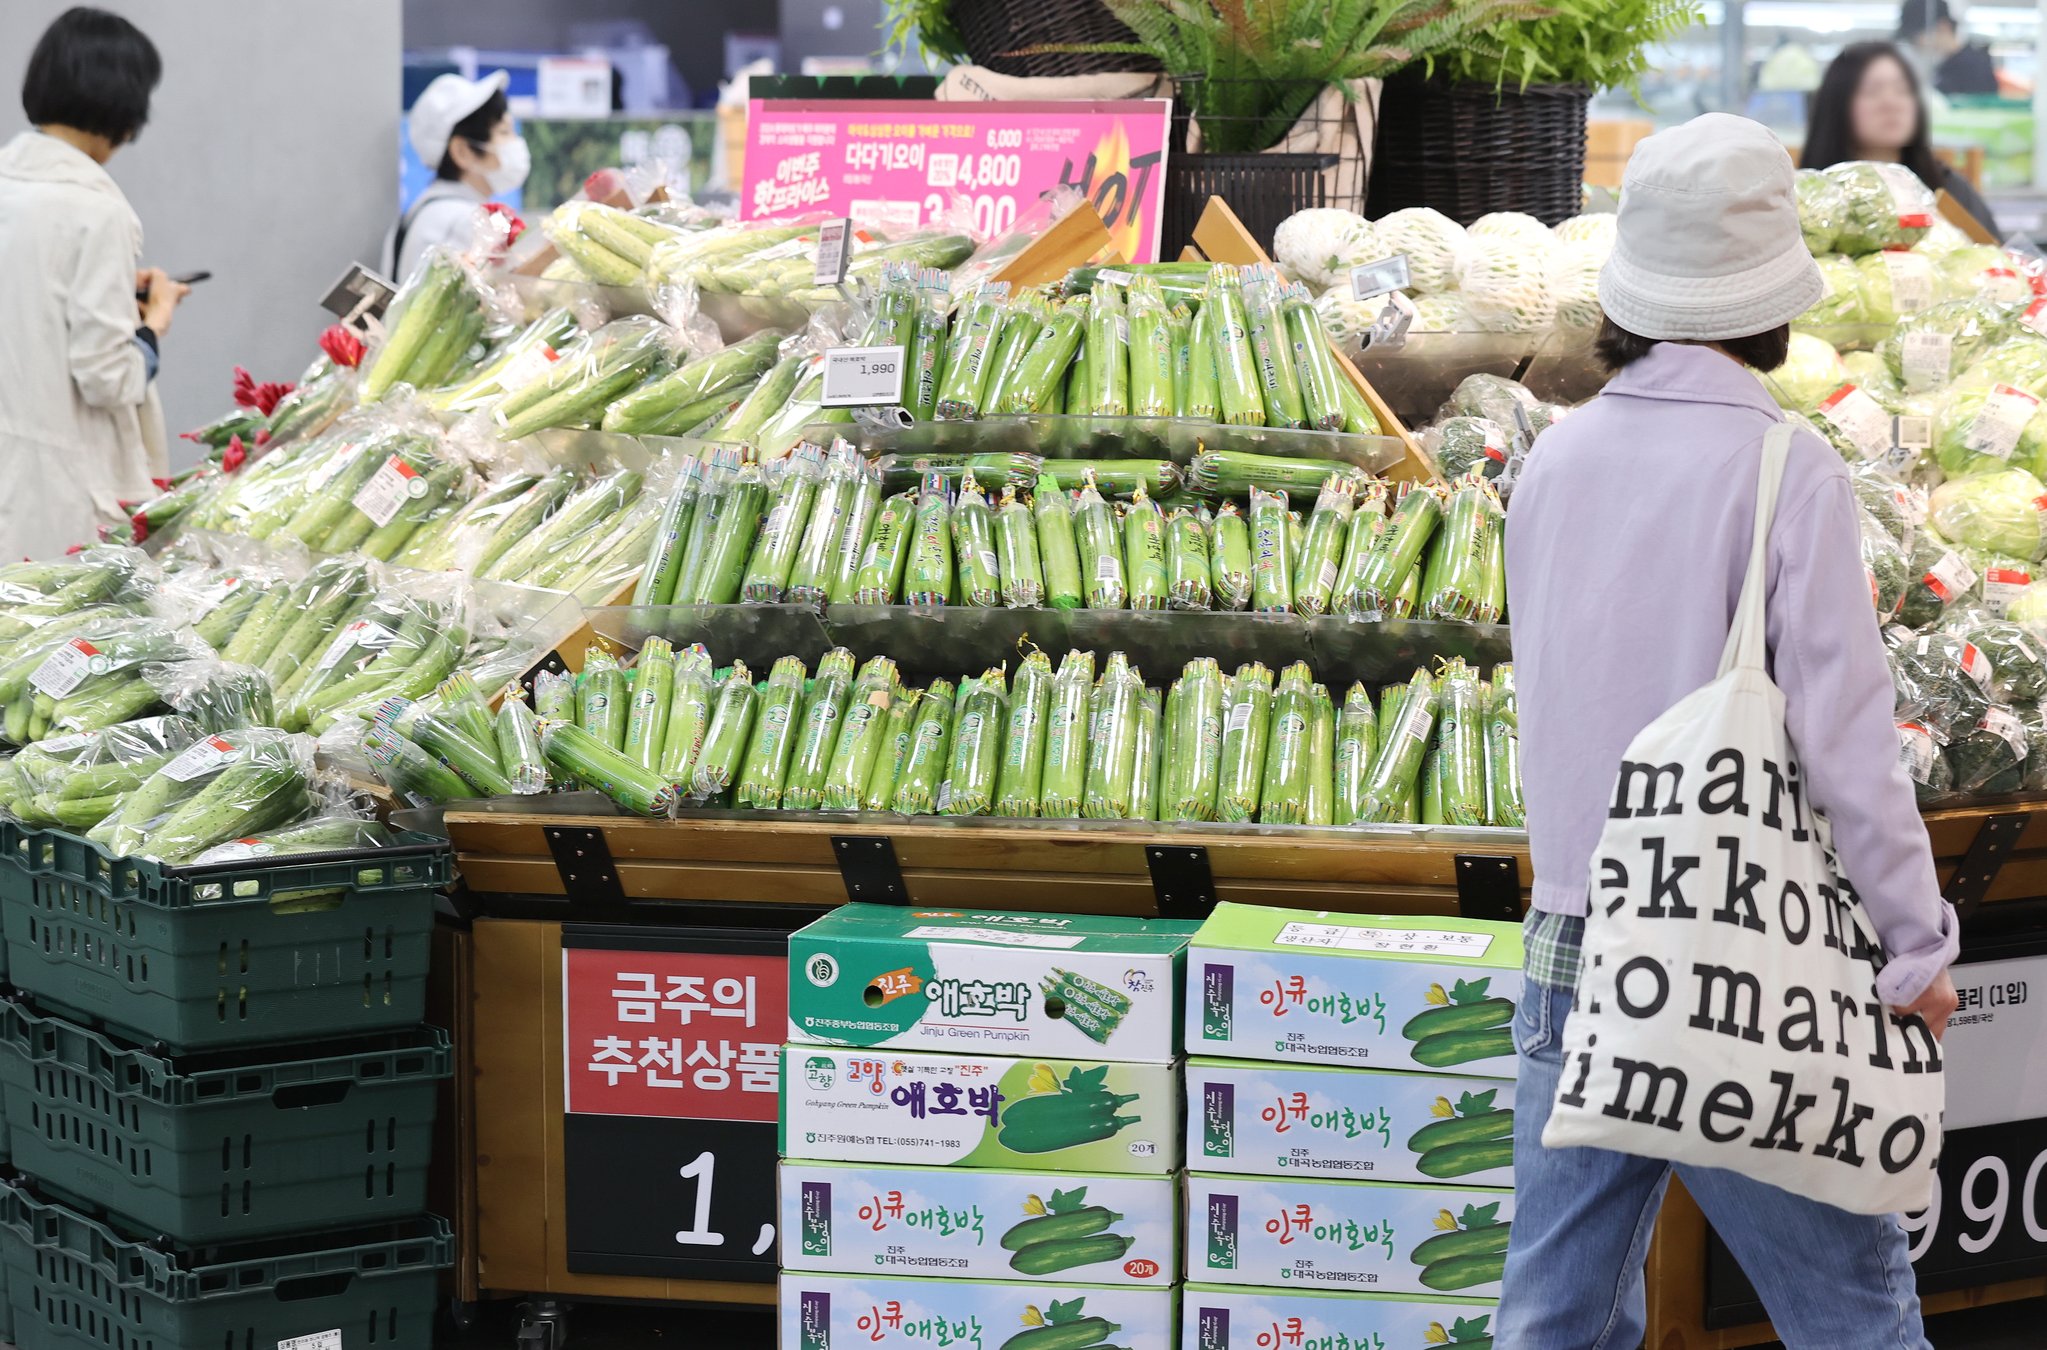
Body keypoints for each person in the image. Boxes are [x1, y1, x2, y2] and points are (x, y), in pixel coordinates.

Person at [1499, 112, 1959, 1349]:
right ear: (1769, 298)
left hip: (1571, 943)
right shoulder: (1782, 465)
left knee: (1553, 1318)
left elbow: (1542, 685)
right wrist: (1913, 945)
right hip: (1736, 957)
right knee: (1849, 1317)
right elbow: (1848, 741)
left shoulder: (1550, 458)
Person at [0, 6, 187, 560]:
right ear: (124, 107)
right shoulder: (95, 212)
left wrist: (114, 293)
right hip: (58, 493)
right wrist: (152, 327)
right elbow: (107, 378)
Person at [1802, 39, 2000, 239]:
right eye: (1872, 91)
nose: (1891, 103)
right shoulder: (1808, 199)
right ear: (1837, 104)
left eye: (1902, 90)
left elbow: (1997, 258)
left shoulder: (1948, 188)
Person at [382, 70, 527, 283]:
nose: (516, 143)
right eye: (504, 132)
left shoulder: (416, 214)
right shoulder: (465, 221)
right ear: (462, 151)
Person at [1900, 0, 2000, 96]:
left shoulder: (1974, 67)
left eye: (1917, 36)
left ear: (1943, 27)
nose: (1917, 44)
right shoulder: (1946, 66)